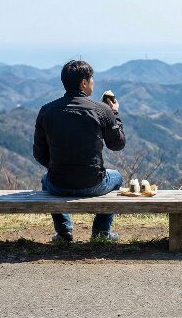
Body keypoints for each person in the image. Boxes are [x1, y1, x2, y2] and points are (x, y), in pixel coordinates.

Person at [33, 60, 126, 242]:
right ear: (84, 83)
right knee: (117, 177)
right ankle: (101, 233)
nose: (93, 83)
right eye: (91, 79)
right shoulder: (102, 110)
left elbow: (39, 153)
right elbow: (117, 144)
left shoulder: (47, 110)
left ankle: (64, 232)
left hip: (58, 183)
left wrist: (56, 167)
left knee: (46, 179)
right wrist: (114, 113)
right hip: (93, 183)